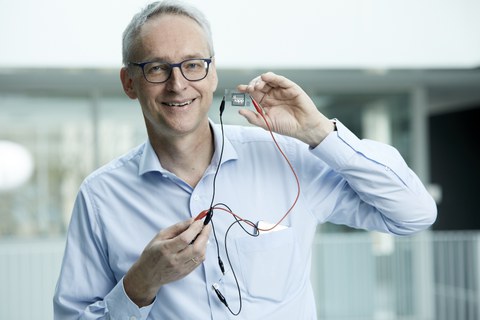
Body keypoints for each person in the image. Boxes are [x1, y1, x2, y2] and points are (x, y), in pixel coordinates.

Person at [53, 0, 437, 319]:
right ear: (128, 83)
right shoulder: (101, 196)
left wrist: (320, 132)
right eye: (156, 68)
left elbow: (413, 213)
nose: (178, 84)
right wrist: (138, 286)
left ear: (212, 71)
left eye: (192, 64)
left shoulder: (285, 157)